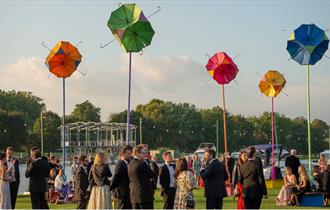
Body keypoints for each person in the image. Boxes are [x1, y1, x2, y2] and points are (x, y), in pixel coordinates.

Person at [128, 144, 155, 209]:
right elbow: (152, 174)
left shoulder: (130, 163)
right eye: (143, 153)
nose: (145, 155)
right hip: (144, 196)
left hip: (134, 195)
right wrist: (151, 163)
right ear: (137, 153)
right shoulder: (142, 163)